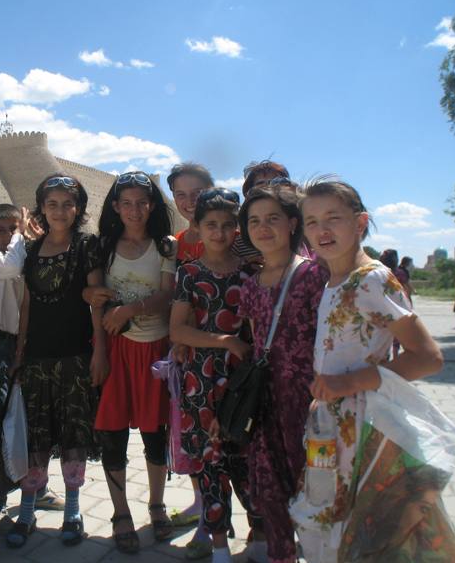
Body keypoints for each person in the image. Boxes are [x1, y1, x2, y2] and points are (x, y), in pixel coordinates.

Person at [291, 179, 443, 562]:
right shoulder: (332, 280)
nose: (321, 230)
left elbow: (427, 357)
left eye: (333, 218)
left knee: (360, 531)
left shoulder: (372, 279)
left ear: (360, 223)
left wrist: (348, 382)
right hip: (334, 427)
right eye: (311, 222)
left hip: (366, 430)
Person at [6, 174, 106, 548]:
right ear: (41, 208)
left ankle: (73, 510)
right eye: (52, 204)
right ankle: (28, 509)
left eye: (67, 203)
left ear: (78, 208)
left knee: (72, 437)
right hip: (37, 359)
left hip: (76, 357)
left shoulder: (87, 246)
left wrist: (100, 351)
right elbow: (28, 304)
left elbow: (96, 297)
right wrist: (19, 353)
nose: (60, 211)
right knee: (36, 437)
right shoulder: (32, 250)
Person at [237, 183, 329, 563]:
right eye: (254, 221)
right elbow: (257, 343)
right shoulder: (251, 285)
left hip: (310, 406)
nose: (263, 228)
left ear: (293, 223)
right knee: (271, 496)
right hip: (266, 406)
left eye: (272, 218)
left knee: (318, 492)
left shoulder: (314, 275)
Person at [89, 171, 176, 554]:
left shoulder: (165, 246)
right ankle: (121, 512)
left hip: (155, 349)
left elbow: (168, 293)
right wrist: (100, 350)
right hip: (116, 350)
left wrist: (129, 309)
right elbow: (94, 299)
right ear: (114, 206)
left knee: (155, 434)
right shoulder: (103, 245)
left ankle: (157, 505)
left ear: (153, 205)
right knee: (113, 434)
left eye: (142, 202)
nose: (135, 209)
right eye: (126, 202)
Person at [169, 188, 253, 563]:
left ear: (237, 228)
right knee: (210, 464)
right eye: (210, 225)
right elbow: (178, 331)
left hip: (245, 381)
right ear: (197, 229)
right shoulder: (188, 273)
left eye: (226, 225)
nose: (219, 233)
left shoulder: (252, 272)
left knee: (248, 460)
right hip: (201, 380)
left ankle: (261, 540)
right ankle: (219, 546)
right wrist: (225, 341)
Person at [0, 203, 64, 533]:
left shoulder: (30, 254)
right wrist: (22, 232)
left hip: (29, 345)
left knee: (35, 421)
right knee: (1, 427)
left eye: (12, 228)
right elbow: (10, 267)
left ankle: (34, 487)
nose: (8, 235)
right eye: (1, 229)